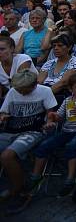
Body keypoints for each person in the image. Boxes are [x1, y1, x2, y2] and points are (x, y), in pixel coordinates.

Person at [29, 73, 76, 198]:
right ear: (71, 89)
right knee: (44, 145)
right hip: (67, 130)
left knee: (72, 146)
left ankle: (70, 179)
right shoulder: (67, 101)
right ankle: (35, 176)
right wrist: (53, 116)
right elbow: (60, 117)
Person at [0, 70, 57, 214]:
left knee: (7, 156)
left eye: (23, 90)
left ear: (33, 86)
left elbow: (51, 113)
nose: (20, 92)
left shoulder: (45, 91)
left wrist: (50, 122)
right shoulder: (13, 91)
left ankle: (18, 189)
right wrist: (3, 116)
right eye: (18, 89)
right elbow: (4, 112)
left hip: (33, 131)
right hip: (11, 130)